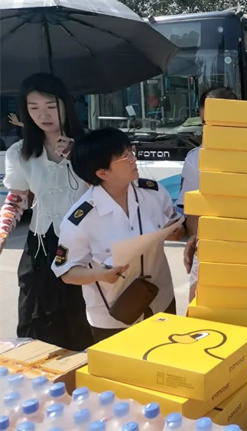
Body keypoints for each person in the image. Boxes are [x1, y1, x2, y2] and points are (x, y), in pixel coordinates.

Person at [52, 128, 178, 343]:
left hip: (161, 300)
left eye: (131, 151)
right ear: (103, 173)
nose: (134, 159)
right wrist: (100, 274)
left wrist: (176, 231)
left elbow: (174, 225)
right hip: (114, 315)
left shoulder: (154, 192)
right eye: (125, 156)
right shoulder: (80, 220)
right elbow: (66, 272)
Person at [0, 73, 93, 351]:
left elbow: (111, 188)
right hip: (40, 245)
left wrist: (80, 156)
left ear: (65, 104)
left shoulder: (91, 145)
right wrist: (2, 234)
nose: (43, 115)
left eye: (51, 106)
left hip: (84, 245)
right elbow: (17, 198)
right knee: (35, 316)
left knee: (81, 317)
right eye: (34, 107)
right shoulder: (20, 152)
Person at [177, 87, 239, 301]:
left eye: (219, 123)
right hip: (210, 253)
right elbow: (192, 215)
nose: (211, 130)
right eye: (205, 123)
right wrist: (199, 244)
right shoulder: (196, 159)